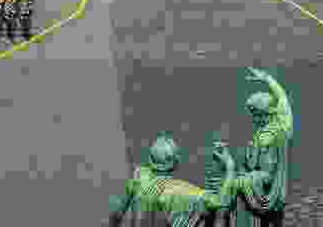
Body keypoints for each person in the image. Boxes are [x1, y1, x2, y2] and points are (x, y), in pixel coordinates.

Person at [214, 67, 292, 227]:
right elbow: (283, 99)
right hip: (276, 187)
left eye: (255, 115)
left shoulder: (264, 137)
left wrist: (237, 158)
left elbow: (256, 167)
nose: (254, 119)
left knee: (232, 185)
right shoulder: (283, 126)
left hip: (266, 185)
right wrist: (268, 79)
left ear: (261, 114)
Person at [108, 134, 232, 227]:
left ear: (150, 159)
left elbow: (117, 215)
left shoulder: (138, 176)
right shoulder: (182, 190)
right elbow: (221, 202)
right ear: (175, 162)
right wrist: (230, 167)